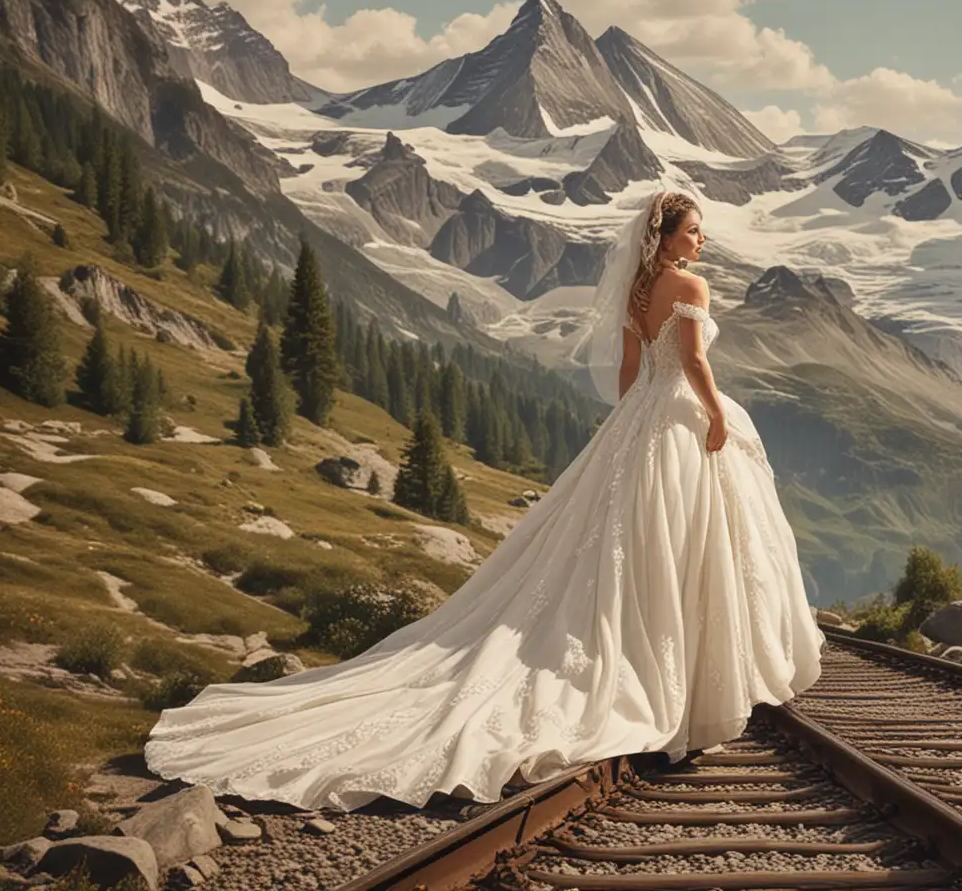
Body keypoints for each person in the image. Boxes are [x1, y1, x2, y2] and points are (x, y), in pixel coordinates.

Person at [145, 191, 823, 811]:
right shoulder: (689, 286)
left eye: (701, 233)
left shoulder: (638, 288)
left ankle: (671, 666)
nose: (701, 242)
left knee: (636, 541)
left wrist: (627, 423)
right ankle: (692, 675)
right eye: (693, 231)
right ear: (667, 236)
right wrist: (714, 417)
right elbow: (697, 363)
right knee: (684, 544)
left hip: (641, 417)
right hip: (677, 416)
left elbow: (626, 370)